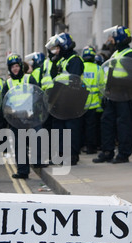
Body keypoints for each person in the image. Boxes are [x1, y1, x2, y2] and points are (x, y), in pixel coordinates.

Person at [94, 26, 132, 164]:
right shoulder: (115, 54)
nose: (110, 40)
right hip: (112, 93)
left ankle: (123, 153)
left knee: (123, 124)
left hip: (124, 93)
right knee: (106, 122)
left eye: (112, 37)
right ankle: (107, 151)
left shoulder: (130, 54)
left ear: (119, 38)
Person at [46, 33, 85, 165]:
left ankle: (72, 155)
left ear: (64, 46)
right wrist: (54, 61)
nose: (56, 51)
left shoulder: (75, 60)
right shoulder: (62, 60)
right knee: (59, 129)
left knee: (71, 129)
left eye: (58, 48)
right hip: (60, 100)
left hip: (71, 101)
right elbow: (53, 77)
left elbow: (73, 80)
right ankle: (61, 154)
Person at [2, 53, 40, 179]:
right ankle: (23, 171)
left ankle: (38, 162)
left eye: (17, 66)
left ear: (21, 67)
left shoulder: (29, 78)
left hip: (30, 116)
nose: (15, 69)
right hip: (16, 119)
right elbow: (4, 101)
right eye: (12, 67)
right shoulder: (7, 83)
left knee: (37, 139)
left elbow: (37, 94)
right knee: (20, 145)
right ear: (9, 68)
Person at [81, 46, 103, 155]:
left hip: (80, 103)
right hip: (93, 103)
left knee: (80, 127)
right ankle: (91, 148)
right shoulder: (98, 68)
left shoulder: (80, 67)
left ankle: (81, 146)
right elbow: (102, 86)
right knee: (91, 128)